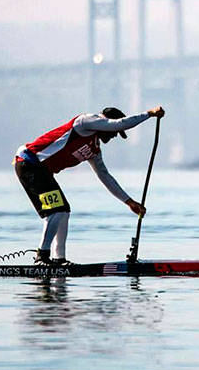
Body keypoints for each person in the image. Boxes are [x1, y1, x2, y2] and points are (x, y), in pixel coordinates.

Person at [14, 105, 164, 265]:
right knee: (56, 210)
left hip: (40, 170)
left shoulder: (95, 150)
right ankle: (42, 258)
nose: (114, 136)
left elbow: (105, 176)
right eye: (114, 132)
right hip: (29, 162)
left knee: (63, 211)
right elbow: (118, 124)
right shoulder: (84, 122)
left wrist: (129, 202)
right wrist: (149, 114)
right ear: (106, 122)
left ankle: (59, 260)